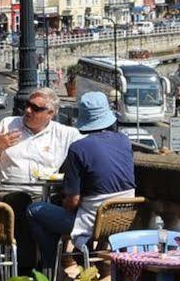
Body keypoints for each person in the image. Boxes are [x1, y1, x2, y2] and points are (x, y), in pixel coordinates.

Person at [30, 90, 136, 268]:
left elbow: (73, 201)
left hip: (92, 223)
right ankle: (85, 263)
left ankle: (51, 267)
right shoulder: (124, 141)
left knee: (34, 210)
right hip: (120, 220)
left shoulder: (78, 149)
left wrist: (63, 206)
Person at [0, 88, 79, 271]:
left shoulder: (65, 134)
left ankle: (49, 269)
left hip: (46, 194)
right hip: (8, 193)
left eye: (35, 108)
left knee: (60, 206)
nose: (28, 111)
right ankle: (31, 273)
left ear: (51, 113)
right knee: (22, 202)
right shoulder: (7, 125)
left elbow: (87, 154)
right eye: (27, 105)